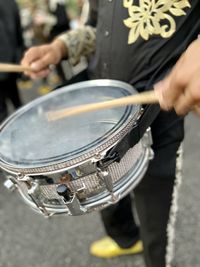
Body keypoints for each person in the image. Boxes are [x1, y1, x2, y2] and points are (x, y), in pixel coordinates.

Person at [20, 1, 200, 267]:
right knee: (106, 193)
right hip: (102, 116)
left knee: (155, 219)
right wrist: (59, 48)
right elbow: (96, 30)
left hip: (157, 119)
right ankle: (126, 239)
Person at [0, 0, 24, 123]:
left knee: (3, 112)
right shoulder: (10, 3)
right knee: (17, 105)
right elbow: (19, 35)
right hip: (12, 61)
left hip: (10, 64)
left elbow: (19, 33)